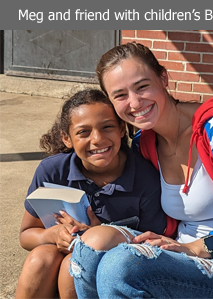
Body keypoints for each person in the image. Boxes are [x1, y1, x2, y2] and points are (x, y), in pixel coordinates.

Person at [71, 42, 213, 298]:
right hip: (179, 258)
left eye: (142, 86)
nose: (134, 102)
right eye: (120, 95)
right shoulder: (145, 142)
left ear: (163, 78)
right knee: (89, 246)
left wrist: (198, 248)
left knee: (121, 265)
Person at [15, 88, 166, 299]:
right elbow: (26, 234)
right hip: (53, 267)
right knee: (40, 258)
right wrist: (53, 234)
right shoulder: (51, 172)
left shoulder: (145, 179)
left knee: (73, 265)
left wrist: (99, 236)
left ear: (122, 129)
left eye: (107, 127)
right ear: (66, 138)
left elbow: (155, 247)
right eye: (83, 132)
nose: (97, 139)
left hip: (112, 271)